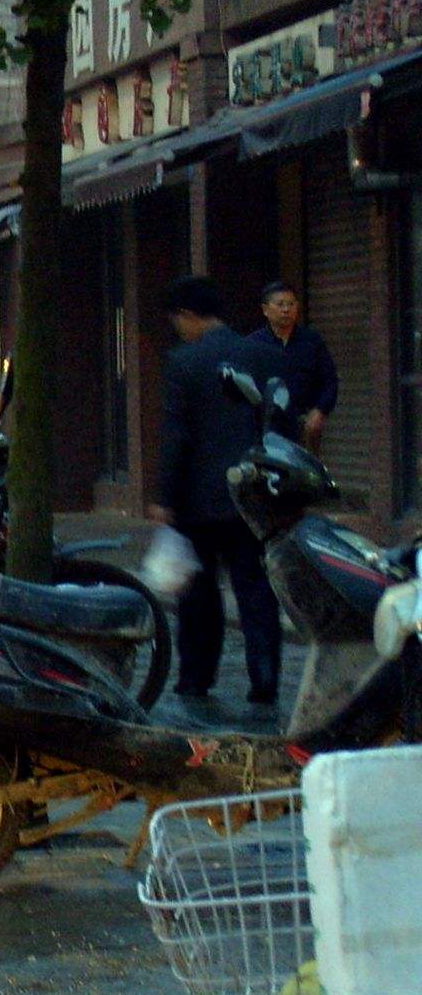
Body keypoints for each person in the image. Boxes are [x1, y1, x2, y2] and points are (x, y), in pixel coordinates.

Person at [155, 275, 283, 709]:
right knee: (255, 590)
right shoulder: (261, 355)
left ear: (190, 316)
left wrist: (164, 497)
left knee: (198, 596)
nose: (179, 330)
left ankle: (195, 679)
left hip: (199, 502)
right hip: (249, 497)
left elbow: (177, 437)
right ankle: (265, 679)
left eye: (178, 320)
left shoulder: (183, 363)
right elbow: (279, 420)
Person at [247, 279, 337, 452]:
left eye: (291, 304)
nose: (286, 310)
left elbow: (330, 381)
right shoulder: (253, 345)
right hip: (265, 427)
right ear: (265, 309)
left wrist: (320, 411)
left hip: (302, 424)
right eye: (280, 304)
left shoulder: (312, 341)